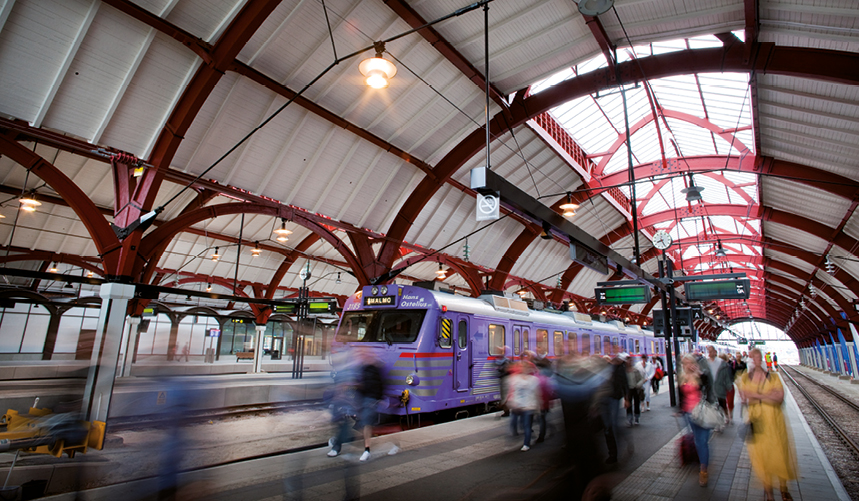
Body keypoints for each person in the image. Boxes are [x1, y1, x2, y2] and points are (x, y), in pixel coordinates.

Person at [738, 348, 798, 501]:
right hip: (757, 424)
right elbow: (745, 398)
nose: (755, 360)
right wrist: (767, 396)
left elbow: (779, 398)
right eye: (752, 357)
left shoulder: (773, 377)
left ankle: (784, 488)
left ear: (762, 359)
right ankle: (769, 494)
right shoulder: (745, 378)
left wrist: (756, 396)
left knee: (780, 454)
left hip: (775, 422)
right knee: (762, 458)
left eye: (757, 357)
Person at [678, 354, 714, 487]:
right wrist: (680, 409)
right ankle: (703, 462)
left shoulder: (701, 376)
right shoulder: (682, 377)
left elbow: (709, 387)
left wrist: (700, 373)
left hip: (703, 413)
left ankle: (703, 471)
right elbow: (680, 395)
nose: (687, 366)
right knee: (698, 441)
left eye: (689, 362)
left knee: (702, 442)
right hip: (689, 414)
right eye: (685, 363)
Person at [355, 348, 385, 461]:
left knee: (366, 424)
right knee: (364, 425)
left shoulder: (373, 369)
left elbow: (378, 384)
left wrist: (378, 398)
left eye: (362, 354)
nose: (360, 357)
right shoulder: (362, 368)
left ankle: (367, 450)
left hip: (370, 399)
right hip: (364, 399)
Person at [602, 349, 629, 463]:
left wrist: (626, 398)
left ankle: (614, 453)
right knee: (607, 427)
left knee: (612, 425)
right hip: (604, 400)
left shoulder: (618, 370)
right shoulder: (601, 372)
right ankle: (612, 452)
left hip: (614, 399)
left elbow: (625, 383)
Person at [507, 361, 541, 451]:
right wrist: (511, 401)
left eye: (525, 367)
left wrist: (538, 406)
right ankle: (520, 437)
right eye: (522, 367)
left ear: (529, 369)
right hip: (517, 405)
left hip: (529, 406)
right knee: (517, 422)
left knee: (527, 425)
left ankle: (526, 444)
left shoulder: (534, 380)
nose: (523, 369)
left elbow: (537, 393)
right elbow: (513, 391)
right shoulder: (515, 378)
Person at [707, 346, 733, 428]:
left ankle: (726, 416)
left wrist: (728, 386)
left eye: (711, 351)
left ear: (715, 352)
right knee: (713, 406)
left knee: (722, 404)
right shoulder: (706, 362)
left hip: (720, 386)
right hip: (711, 387)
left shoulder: (721, 363)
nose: (709, 353)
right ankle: (717, 422)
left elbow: (726, 375)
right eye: (708, 352)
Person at [626, 357, 645, 425]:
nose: (629, 362)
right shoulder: (624, 371)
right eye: (628, 361)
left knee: (636, 403)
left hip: (635, 389)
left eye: (630, 361)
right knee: (628, 404)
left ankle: (636, 417)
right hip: (628, 389)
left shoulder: (635, 370)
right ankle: (629, 418)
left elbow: (641, 379)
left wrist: (638, 385)